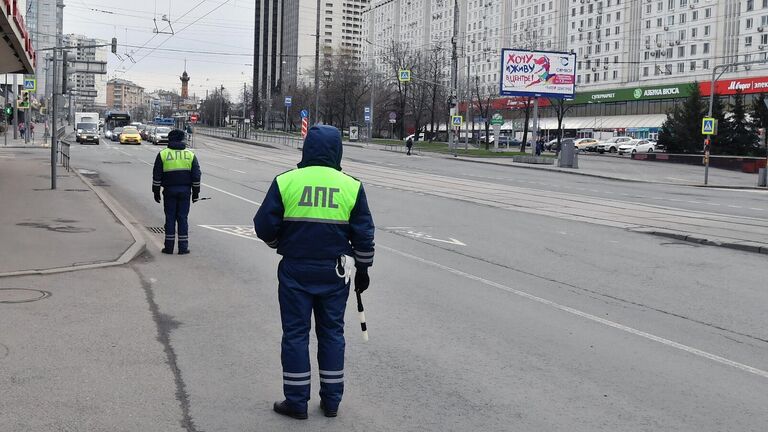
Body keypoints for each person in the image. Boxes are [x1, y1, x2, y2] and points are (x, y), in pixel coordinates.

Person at [254, 124, 375, 420]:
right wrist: (363, 269)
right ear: (338, 150)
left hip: (295, 269)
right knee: (332, 333)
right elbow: (364, 234)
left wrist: (277, 243)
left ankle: (296, 402)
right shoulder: (351, 185)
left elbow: (263, 226)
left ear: (307, 148)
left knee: (295, 334)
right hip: (334, 272)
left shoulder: (286, 181)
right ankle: (331, 402)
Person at [152, 129, 201, 254]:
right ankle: (183, 248)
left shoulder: (163, 154)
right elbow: (196, 176)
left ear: (170, 139)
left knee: (170, 218)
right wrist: (196, 193)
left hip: (169, 191)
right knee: (182, 218)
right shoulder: (190, 155)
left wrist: (156, 191)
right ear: (182, 139)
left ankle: (168, 248)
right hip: (185, 191)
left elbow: (157, 176)